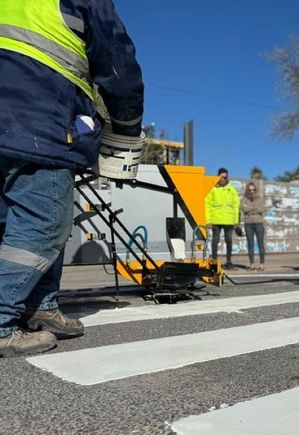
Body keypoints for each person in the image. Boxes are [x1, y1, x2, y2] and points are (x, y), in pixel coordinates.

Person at [0, 0, 144, 357]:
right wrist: (126, 127)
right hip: (36, 116)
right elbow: (117, 64)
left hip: (14, 116)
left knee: (13, 222)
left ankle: (42, 306)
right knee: (45, 221)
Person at [206, 168, 240, 270]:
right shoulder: (212, 189)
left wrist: (236, 221)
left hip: (229, 220)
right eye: (221, 177)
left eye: (225, 177)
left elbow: (236, 205)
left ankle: (229, 262)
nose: (223, 179)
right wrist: (208, 221)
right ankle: (214, 262)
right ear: (218, 176)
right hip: (216, 220)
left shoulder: (232, 189)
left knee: (229, 240)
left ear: (227, 177)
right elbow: (207, 204)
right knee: (215, 240)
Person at [241, 181, 266, 271]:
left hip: (259, 223)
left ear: (255, 190)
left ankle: (262, 264)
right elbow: (244, 209)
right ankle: (252, 264)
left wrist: (250, 209)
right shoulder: (244, 199)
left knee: (260, 244)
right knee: (250, 244)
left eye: (253, 190)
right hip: (248, 224)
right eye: (250, 190)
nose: (252, 191)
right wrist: (255, 207)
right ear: (247, 190)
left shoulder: (260, 198)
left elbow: (262, 209)